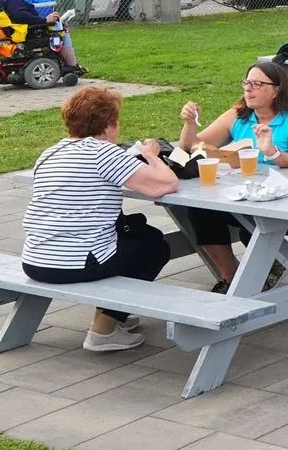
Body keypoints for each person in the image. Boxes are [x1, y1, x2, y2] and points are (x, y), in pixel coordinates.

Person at [21, 86, 179, 352]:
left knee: (141, 236)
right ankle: (104, 329)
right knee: (154, 247)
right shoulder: (103, 152)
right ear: (108, 125)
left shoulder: (50, 152)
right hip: (73, 264)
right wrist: (151, 155)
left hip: (35, 259)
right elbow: (165, 184)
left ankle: (116, 312)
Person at [176, 60, 288, 291]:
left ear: (276, 90)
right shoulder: (239, 115)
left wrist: (271, 151)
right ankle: (231, 277)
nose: (248, 89)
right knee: (200, 211)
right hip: (247, 195)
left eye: (257, 84)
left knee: (251, 227)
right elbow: (192, 146)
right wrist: (190, 123)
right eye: (246, 82)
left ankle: (269, 266)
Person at [0, 0, 81, 71]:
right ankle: (72, 65)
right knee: (62, 30)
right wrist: (45, 20)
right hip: (25, 32)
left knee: (57, 24)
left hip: (15, 30)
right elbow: (21, 16)